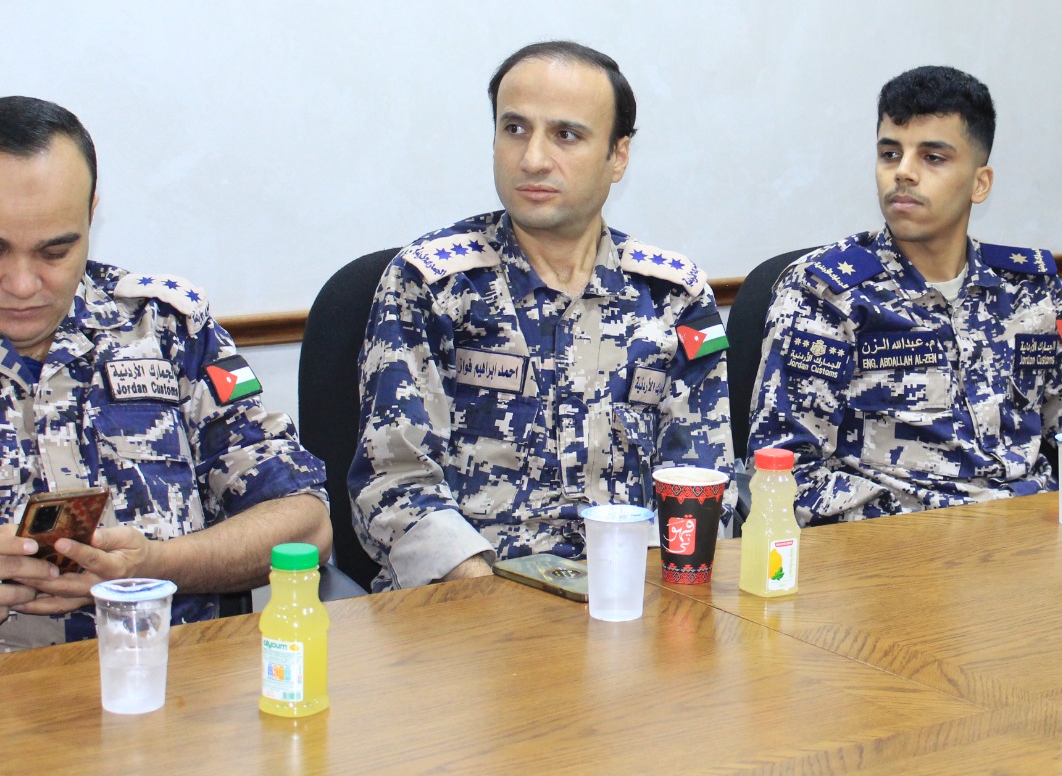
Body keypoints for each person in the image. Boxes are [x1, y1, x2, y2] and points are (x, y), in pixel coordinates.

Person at [350, 42, 734, 591]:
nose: (532, 159)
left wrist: (644, 598)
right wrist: (486, 596)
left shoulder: (674, 295)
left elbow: (704, 476)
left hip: (633, 592)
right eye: (514, 129)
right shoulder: (433, 284)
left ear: (618, 156)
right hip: (472, 598)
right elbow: (393, 483)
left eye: (566, 135)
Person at [0, 97, 330, 649]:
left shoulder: (166, 328)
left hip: (176, 677)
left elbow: (306, 523)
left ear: (91, 215)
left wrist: (155, 565)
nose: (22, 284)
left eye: (54, 252)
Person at [746, 66, 1062, 526]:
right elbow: (786, 476)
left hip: (1032, 538)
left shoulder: (1032, 292)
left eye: (932, 157)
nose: (903, 172)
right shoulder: (826, 296)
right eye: (890, 154)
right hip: (897, 548)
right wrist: (948, 532)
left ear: (980, 183)